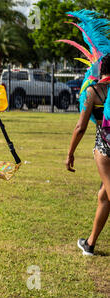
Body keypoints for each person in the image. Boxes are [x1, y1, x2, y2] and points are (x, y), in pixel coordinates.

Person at [63, 11, 110, 256]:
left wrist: (70, 154)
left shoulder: (93, 91)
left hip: (105, 146)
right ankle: (90, 244)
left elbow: (80, 127)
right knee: (104, 195)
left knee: (109, 190)